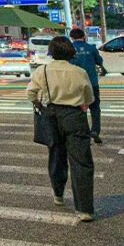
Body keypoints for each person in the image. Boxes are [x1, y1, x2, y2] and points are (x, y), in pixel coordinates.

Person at [27, 36, 96, 222]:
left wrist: (38, 105)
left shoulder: (43, 70)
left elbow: (30, 93)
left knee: (56, 154)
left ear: (51, 51)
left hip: (51, 115)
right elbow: (89, 98)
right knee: (81, 161)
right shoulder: (79, 72)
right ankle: (84, 209)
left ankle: (58, 193)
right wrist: (82, 104)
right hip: (75, 116)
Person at [68, 28, 104, 144]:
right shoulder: (91, 48)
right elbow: (99, 61)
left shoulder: (69, 49)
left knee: (79, 109)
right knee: (94, 108)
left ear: (71, 37)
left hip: (75, 84)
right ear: (83, 36)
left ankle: (84, 134)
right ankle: (95, 131)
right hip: (92, 83)